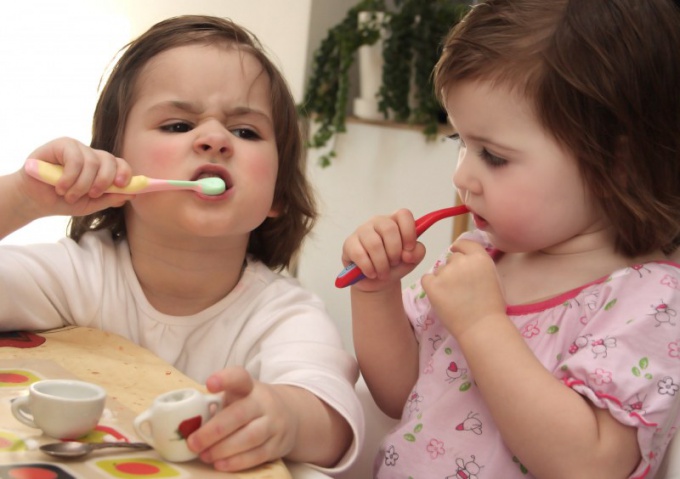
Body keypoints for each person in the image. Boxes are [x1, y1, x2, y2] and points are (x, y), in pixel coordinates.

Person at [0, 15, 363, 474]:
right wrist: (19, 199)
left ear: (278, 197)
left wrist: (286, 419)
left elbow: (334, 423)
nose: (214, 140)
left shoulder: (282, 315)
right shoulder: (76, 276)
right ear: (115, 163)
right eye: (177, 125)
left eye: (246, 132)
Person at [340, 0, 680, 477]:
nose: (463, 176)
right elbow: (400, 395)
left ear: (615, 164)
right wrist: (376, 290)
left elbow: (591, 466)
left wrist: (482, 326)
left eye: (493, 156)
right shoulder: (482, 259)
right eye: (459, 142)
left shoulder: (650, 300)